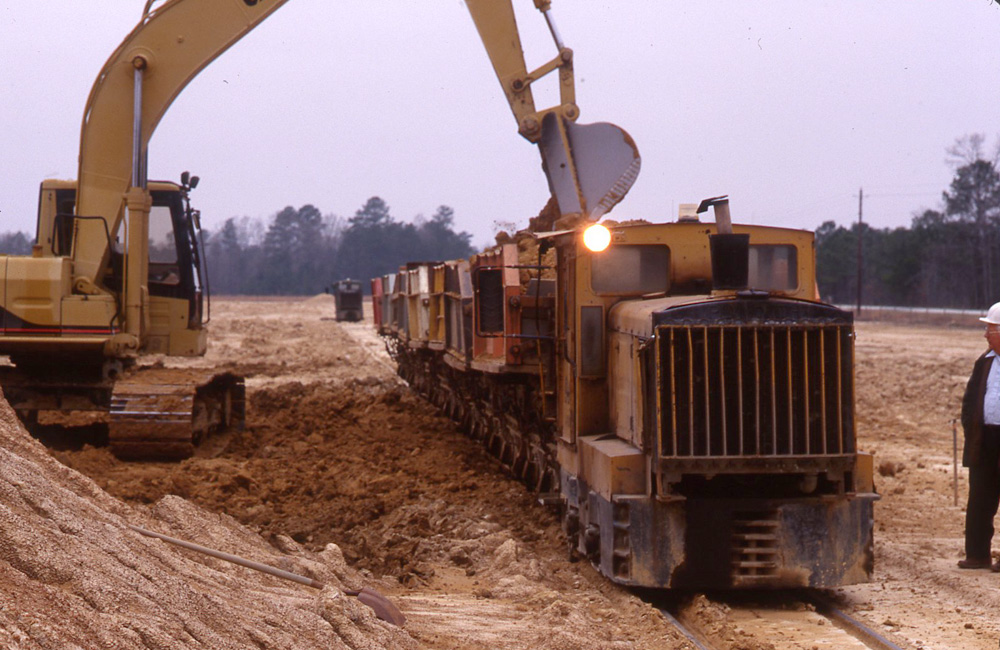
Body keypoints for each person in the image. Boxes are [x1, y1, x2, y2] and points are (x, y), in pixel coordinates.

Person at [958, 301, 1000, 571]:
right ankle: (977, 554)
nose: (985, 334)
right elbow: (970, 401)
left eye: (991, 329)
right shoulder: (984, 362)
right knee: (980, 497)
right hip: (984, 439)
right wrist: (971, 431)